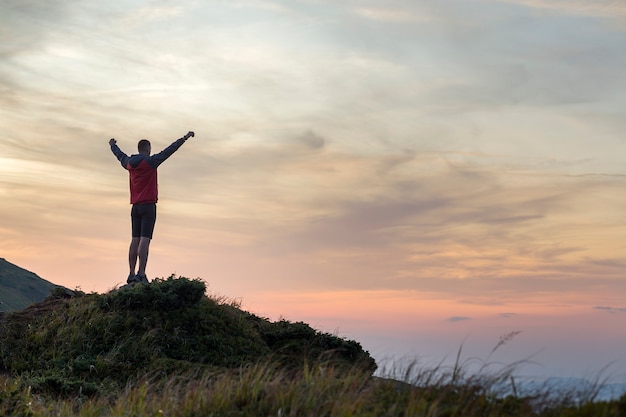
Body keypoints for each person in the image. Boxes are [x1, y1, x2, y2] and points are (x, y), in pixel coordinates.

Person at [109, 131, 194, 286]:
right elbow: (169, 151)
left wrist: (112, 145)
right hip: (148, 206)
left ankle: (131, 273)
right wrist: (184, 138)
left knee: (134, 239)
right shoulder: (150, 162)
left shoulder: (129, 163)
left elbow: (119, 155)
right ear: (148, 149)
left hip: (135, 207)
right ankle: (141, 273)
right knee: (144, 240)